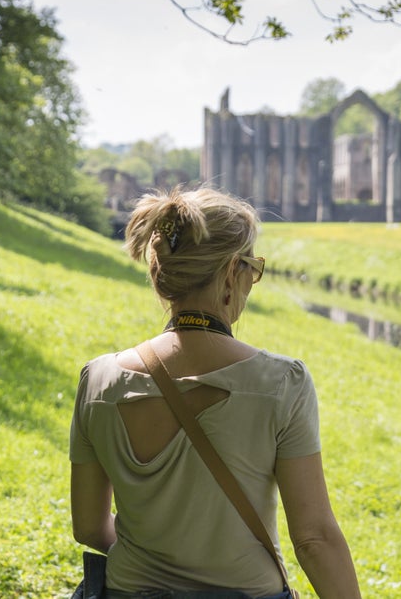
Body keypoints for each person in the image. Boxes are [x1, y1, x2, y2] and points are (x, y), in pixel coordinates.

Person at [69, 186, 361, 599]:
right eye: (252, 268)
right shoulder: (281, 383)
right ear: (230, 272)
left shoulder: (98, 380)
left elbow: (88, 526)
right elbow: (314, 539)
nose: (252, 282)